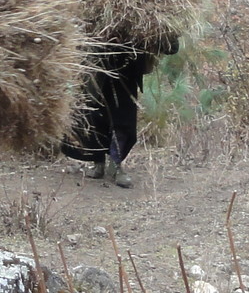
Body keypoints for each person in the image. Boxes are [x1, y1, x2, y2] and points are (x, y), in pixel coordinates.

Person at [62, 33, 179, 188]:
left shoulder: (141, 19)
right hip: (96, 71)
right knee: (93, 118)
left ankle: (116, 165)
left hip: (126, 72)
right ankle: (98, 163)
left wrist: (161, 35)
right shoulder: (91, 15)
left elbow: (172, 47)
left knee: (124, 122)